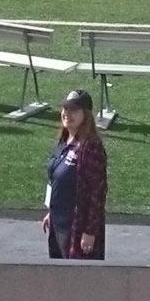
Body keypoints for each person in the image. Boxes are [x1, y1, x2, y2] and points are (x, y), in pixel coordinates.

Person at [45, 90, 107, 260]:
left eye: (74, 110)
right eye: (65, 109)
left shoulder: (91, 147)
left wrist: (90, 231)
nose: (67, 114)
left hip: (77, 228)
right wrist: (52, 211)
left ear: (85, 115)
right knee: (59, 275)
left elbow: (97, 193)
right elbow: (56, 180)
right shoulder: (64, 141)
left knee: (78, 280)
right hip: (58, 223)